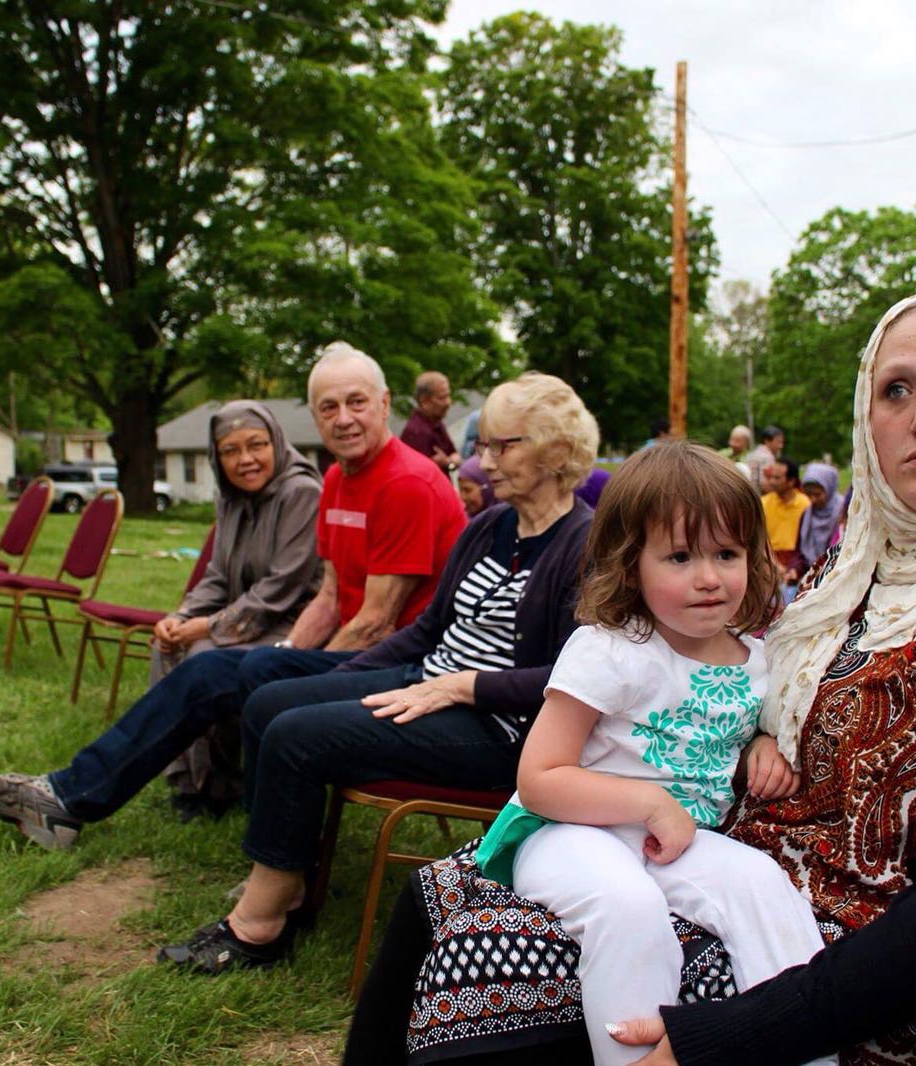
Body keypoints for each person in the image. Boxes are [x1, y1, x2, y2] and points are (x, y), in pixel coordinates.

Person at [343, 287, 916, 1066]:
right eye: (895, 391)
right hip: (732, 861)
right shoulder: (855, 578)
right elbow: (730, 698)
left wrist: (737, 1032)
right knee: (442, 891)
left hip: (890, 967)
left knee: (485, 960)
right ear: (866, 417)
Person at [153, 371, 599, 975]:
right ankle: (286, 872)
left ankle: (260, 924)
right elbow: (429, 627)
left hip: (501, 728)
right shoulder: (490, 528)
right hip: (429, 679)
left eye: (502, 445)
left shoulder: (585, 543)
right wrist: (346, 673)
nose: (481, 461)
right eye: (482, 446)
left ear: (554, 448)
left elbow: (575, 678)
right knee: (271, 700)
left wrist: (464, 686)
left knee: (294, 735)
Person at [0, 341, 467, 849]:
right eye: (328, 408)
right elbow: (332, 599)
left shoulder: (406, 483)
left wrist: (289, 683)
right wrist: (284, 658)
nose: (344, 419)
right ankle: (66, 799)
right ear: (312, 416)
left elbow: (377, 623)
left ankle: (244, 835)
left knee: (243, 680)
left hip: (401, 676)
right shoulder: (337, 478)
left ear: (384, 403)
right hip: (358, 654)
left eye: (357, 402)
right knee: (207, 670)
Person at [472, 442, 822, 1066]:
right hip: (564, 830)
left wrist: (763, 745)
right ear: (631, 566)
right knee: (625, 906)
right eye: (681, 557)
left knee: (765, 888)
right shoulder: (612, 650)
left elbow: (730, 733)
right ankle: (634, 1058)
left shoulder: (759, 659)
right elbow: (540, 777)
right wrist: (647, 801)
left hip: (674, 841)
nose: (709, 577)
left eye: (727, 553)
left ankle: (797, 1045)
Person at [151, 401, 325, 815]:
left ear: (276, 443)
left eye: (256, 445)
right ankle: (194, 782)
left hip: (293, 624)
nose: (245, 459)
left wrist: (210, 627)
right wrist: (180, 617)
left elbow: (282, 585)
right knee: (169, 647)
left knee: (202, 656)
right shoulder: (230, 499)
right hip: (247, 619)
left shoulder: (302, 492)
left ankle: (219, 784)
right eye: (230, 450)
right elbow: (217, 573)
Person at [759, 459, 809, 588]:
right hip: (768, 562)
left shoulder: (805, 505)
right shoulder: (763, 503)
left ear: (791, 481)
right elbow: (759, 540)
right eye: (771, 477)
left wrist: (794, 567)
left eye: (777, 478)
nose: (771, 481)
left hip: (799, 564)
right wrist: (774, 564)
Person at [400, 370, 458, 473]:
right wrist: (450, 463)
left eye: (448, 396)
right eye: (442, 398)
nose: (448, 402)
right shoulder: (416, 432)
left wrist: (448, 463)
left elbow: (455, 455)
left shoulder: (436, 422)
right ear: (424, 401)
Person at [795, 462, 843, 574]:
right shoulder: (807, 514)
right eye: (808, 494)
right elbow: (799, 552)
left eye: (817, 494)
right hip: (810, 573)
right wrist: (795, 569)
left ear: (829, 489)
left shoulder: (843, 514)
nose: (813, 500)